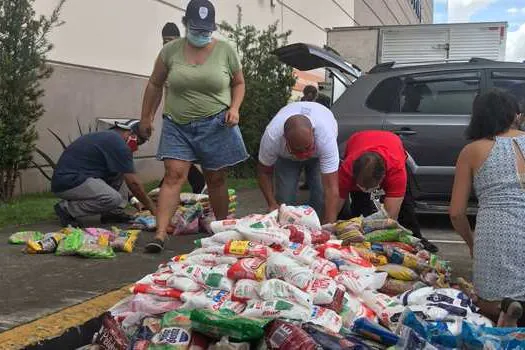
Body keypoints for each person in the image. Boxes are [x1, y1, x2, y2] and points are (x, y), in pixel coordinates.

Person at [139, 0, 248, 253]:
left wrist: (235, 108)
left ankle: (221, 231)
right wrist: (146, 117)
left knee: (216, 178)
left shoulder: (226, 51)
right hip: (178, 124)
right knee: (173, 175)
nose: (201, 34)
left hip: (216, 122)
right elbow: (155, 84)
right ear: (186, 24)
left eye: (205, 30)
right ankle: (160, 234)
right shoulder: (170, 52)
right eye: (196, 28)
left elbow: (239, 83)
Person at [449, 89, 525, 327]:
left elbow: (457, 213)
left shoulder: (472, 151)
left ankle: (505, 313)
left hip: (497, 232)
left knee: (487, 301)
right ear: (514, 114)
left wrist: (472, 244)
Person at [338, 130, 438, 253]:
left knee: (405, 208)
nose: (365, 190)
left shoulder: (396, 170)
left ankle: (417, 240)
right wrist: (329, 231)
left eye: (370, 188)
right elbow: (335, 201)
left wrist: (384, 246)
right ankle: (356, 238)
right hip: (358, 143)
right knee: (359, 207)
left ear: (383, 177)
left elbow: (391, 217)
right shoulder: (347, 169)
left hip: (392, 147)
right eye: (361, 186)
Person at [52, 120, 156, 227]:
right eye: (139, 142)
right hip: (68, 182)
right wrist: (153, 209)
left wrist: (134, 200)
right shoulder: (118, 143)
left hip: (76, 178)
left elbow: (122, 179)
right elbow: (134, 184)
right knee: (112, 198)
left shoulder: (110, 138)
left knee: (120, 172)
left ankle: (112, 214)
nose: (137, 147)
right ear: (130, 133)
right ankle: (66, 209)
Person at [257, 101, 340, 224]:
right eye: (297, 150)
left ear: (313, 132)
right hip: (287, 159)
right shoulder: (272, 137)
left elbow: (331, 189)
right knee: (285, 199)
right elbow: (263, 171)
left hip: (318, 156)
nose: (304, 155)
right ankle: (288, 233)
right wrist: (271, 203)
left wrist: (329, 227)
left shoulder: (326, 138)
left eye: (307, 148)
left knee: (320, 195)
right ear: (284, 138)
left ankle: (317, 230)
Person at [160, 21, 206, 194]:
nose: (167, 44)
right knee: (175, 158)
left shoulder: (186, 58)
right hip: (171, 115)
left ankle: (198, 183)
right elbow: (161, 88)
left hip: (188, 115)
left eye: (171, 40)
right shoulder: (165, 59)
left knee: (177, 158)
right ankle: (198, 183)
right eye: (164, 41)